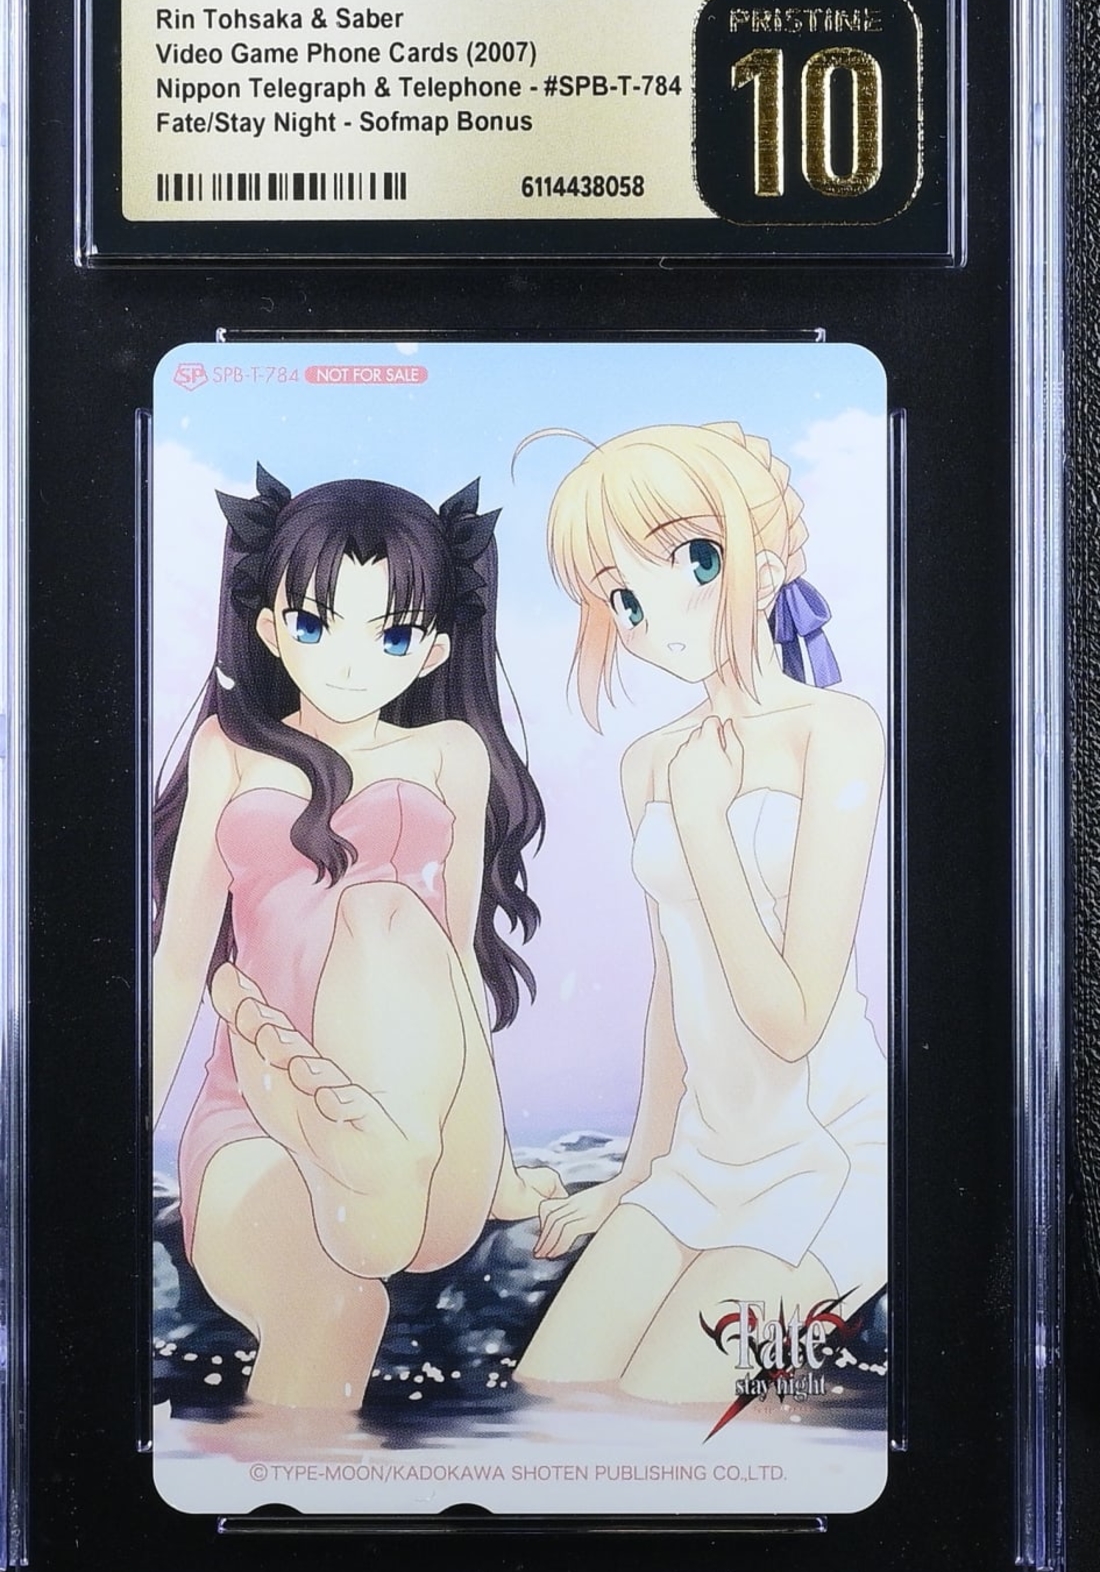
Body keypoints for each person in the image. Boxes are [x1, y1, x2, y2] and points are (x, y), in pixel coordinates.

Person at [153, 465, 562, 1410]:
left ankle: (387, 1149)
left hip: (432, 1124)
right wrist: (119, 1128)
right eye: (313, 624)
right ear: (268, 627)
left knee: (385, 911)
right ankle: (352, 1154)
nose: (347, 663)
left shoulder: (449, 754)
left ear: (433, 650)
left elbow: (455, 960)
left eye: (390, 634)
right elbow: (179, 966)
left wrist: (498, 1170)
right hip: (260, 1110)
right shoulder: (231, 751)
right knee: (336, 1302)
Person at [515, 420, 887, 1403]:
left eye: (693, 560)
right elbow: (671, 991)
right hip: (704, 1158)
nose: (650, 617)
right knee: (549, 1399)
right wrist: (634, 1176)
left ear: (763, 564)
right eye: (621, 597)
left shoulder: (836, 732)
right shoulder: (652, 760)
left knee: (663, 1414)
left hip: (829, 1156)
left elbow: (792, 1019)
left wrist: (704, 824)